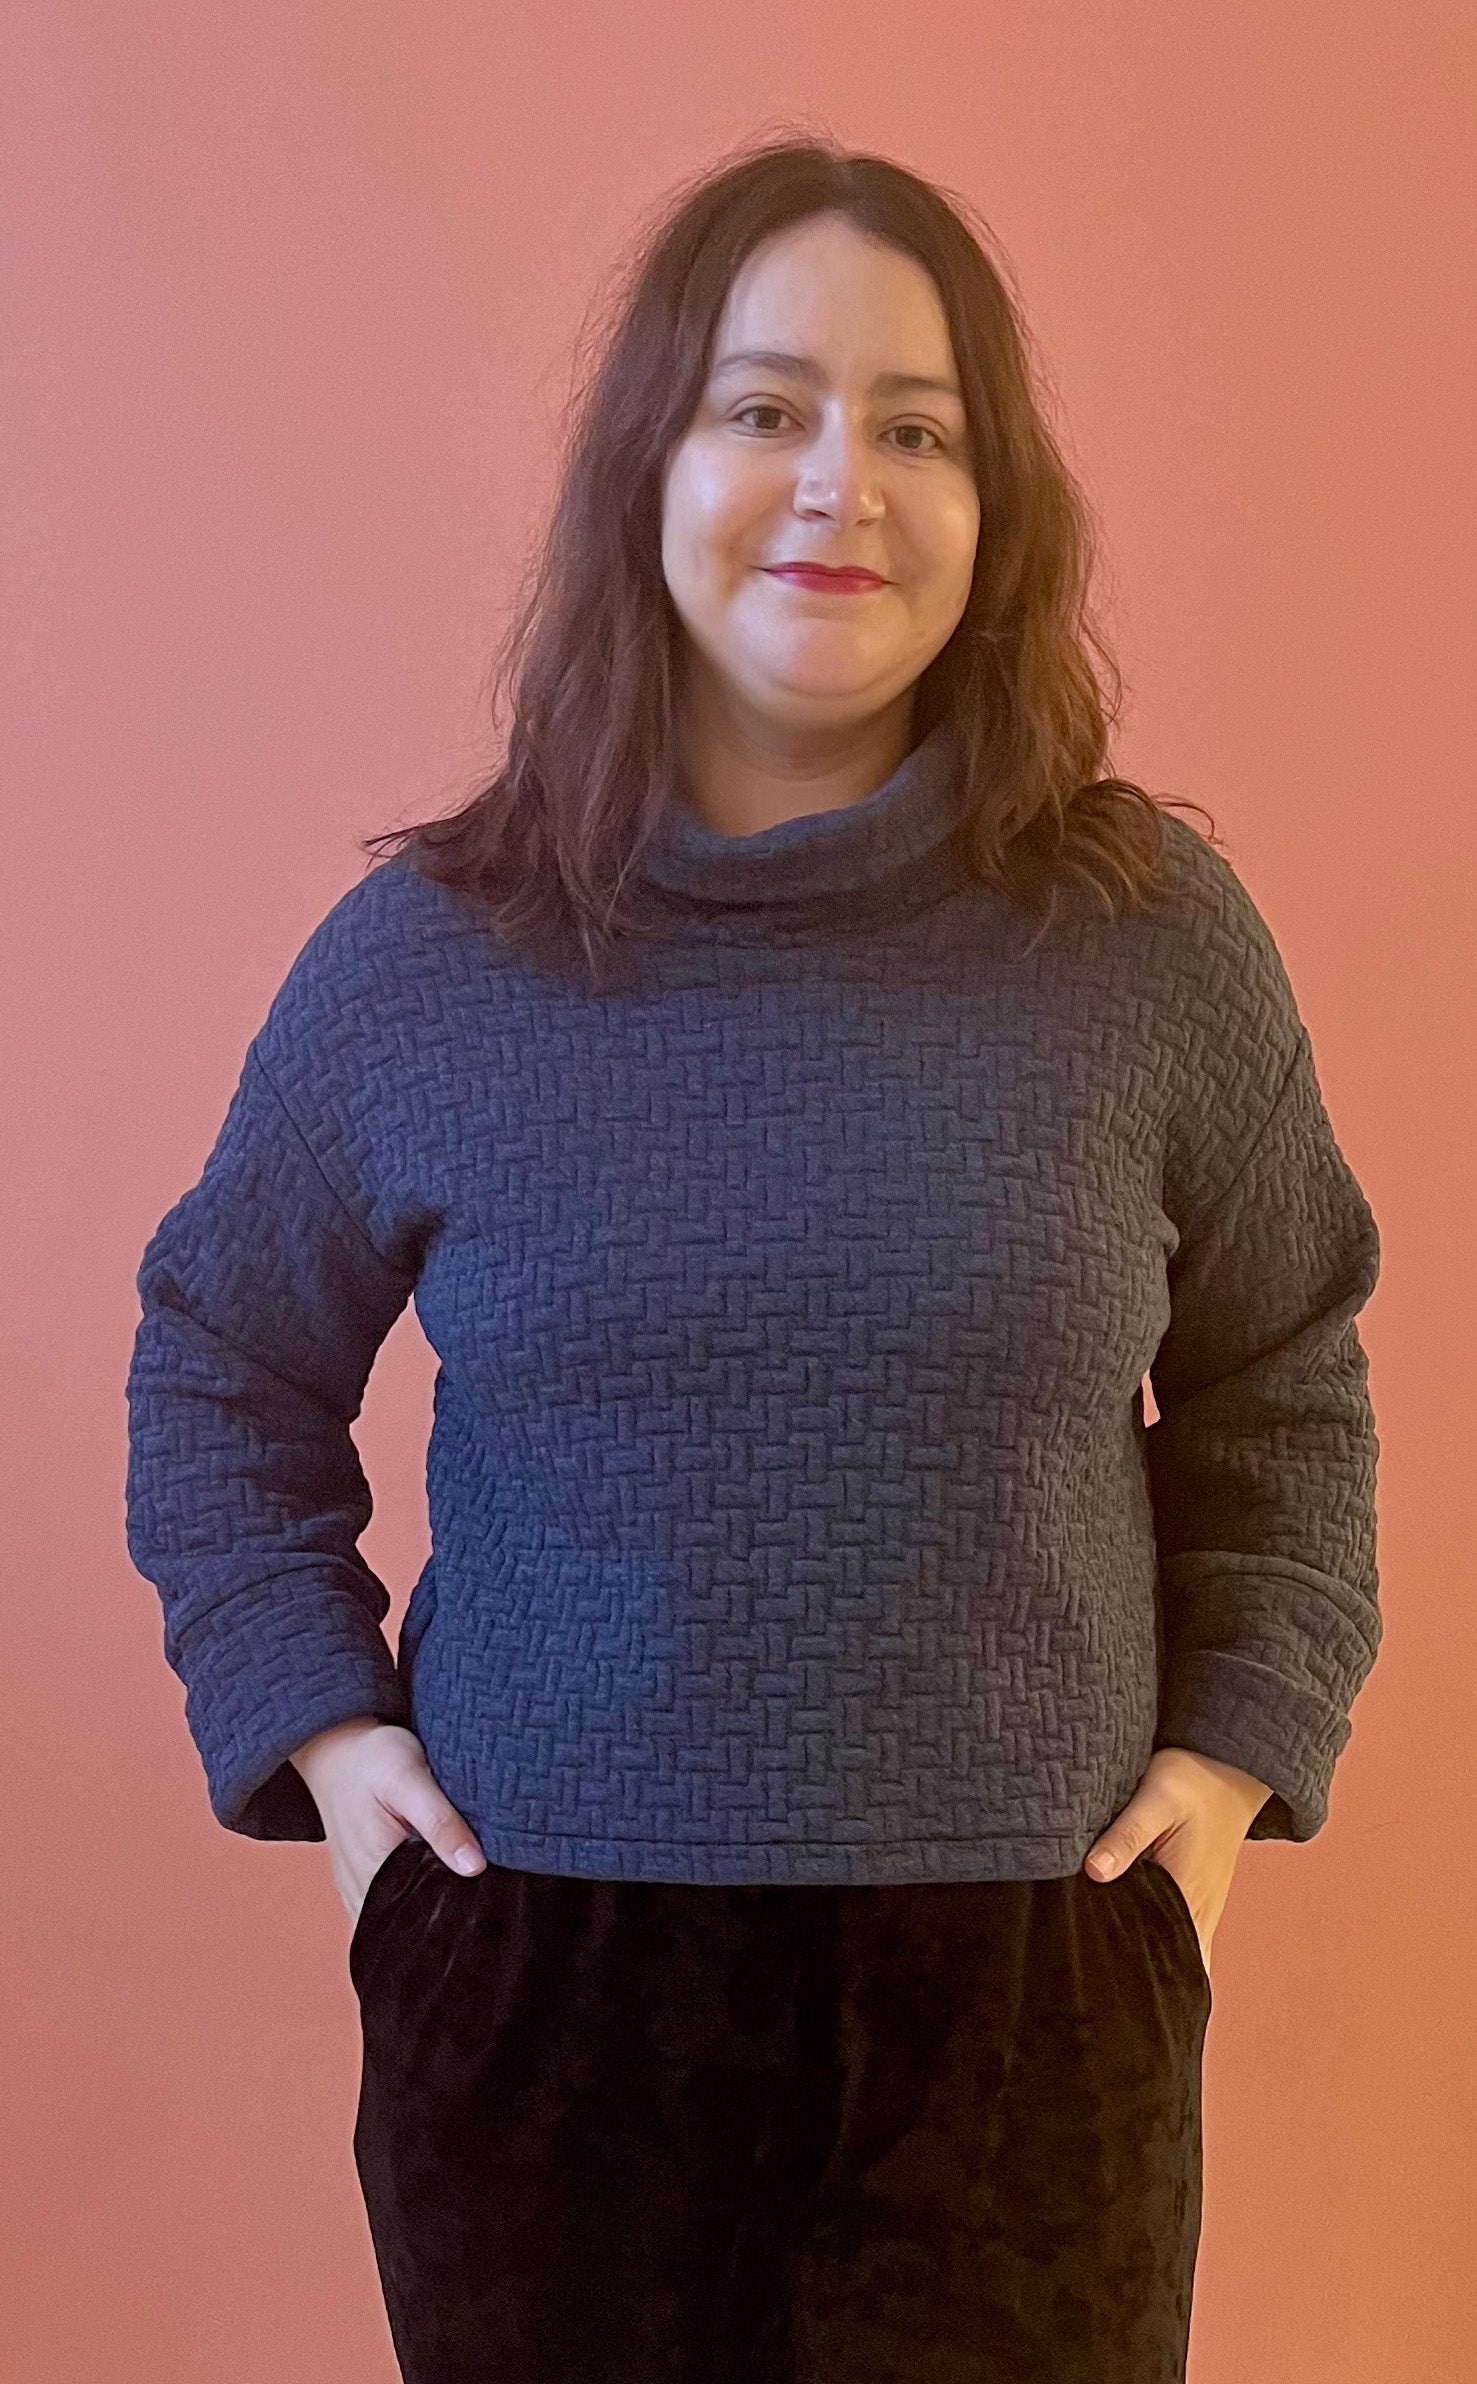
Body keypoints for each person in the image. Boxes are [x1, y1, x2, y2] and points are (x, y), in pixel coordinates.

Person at [123, 135, 1383, 2384]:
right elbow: (221, 1358)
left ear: (998, 513)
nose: (846, 486)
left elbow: (1289, 1374)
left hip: (1026, 2019)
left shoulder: (1151, 946)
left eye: (922, 428)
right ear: (650, 466)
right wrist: (314, 1726)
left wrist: (1234, 1759)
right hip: (549, 2013)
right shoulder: (430, 961)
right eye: (767, 407)